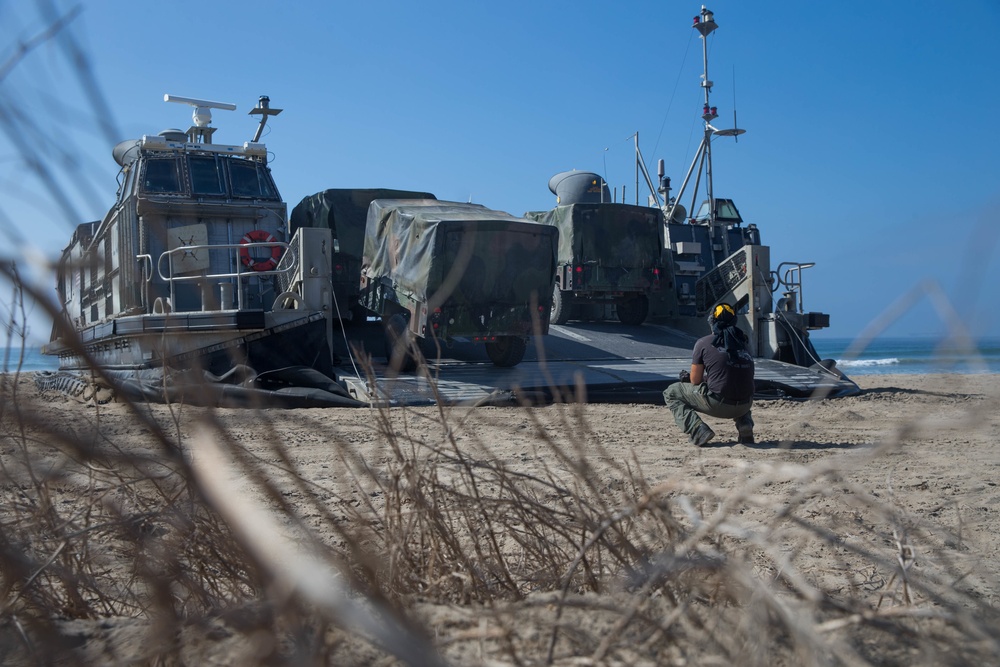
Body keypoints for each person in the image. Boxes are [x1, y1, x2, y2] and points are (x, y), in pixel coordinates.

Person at [662, 303, 755, 447]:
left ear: (712, 322)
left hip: (719, 404)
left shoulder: (703, 343)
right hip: (745, 404)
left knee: (671, 392)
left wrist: (691, 378)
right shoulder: (743, 342)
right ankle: (745, 424)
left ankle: (697, 429)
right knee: (738, 380)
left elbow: (695, 380)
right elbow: (735, 373)